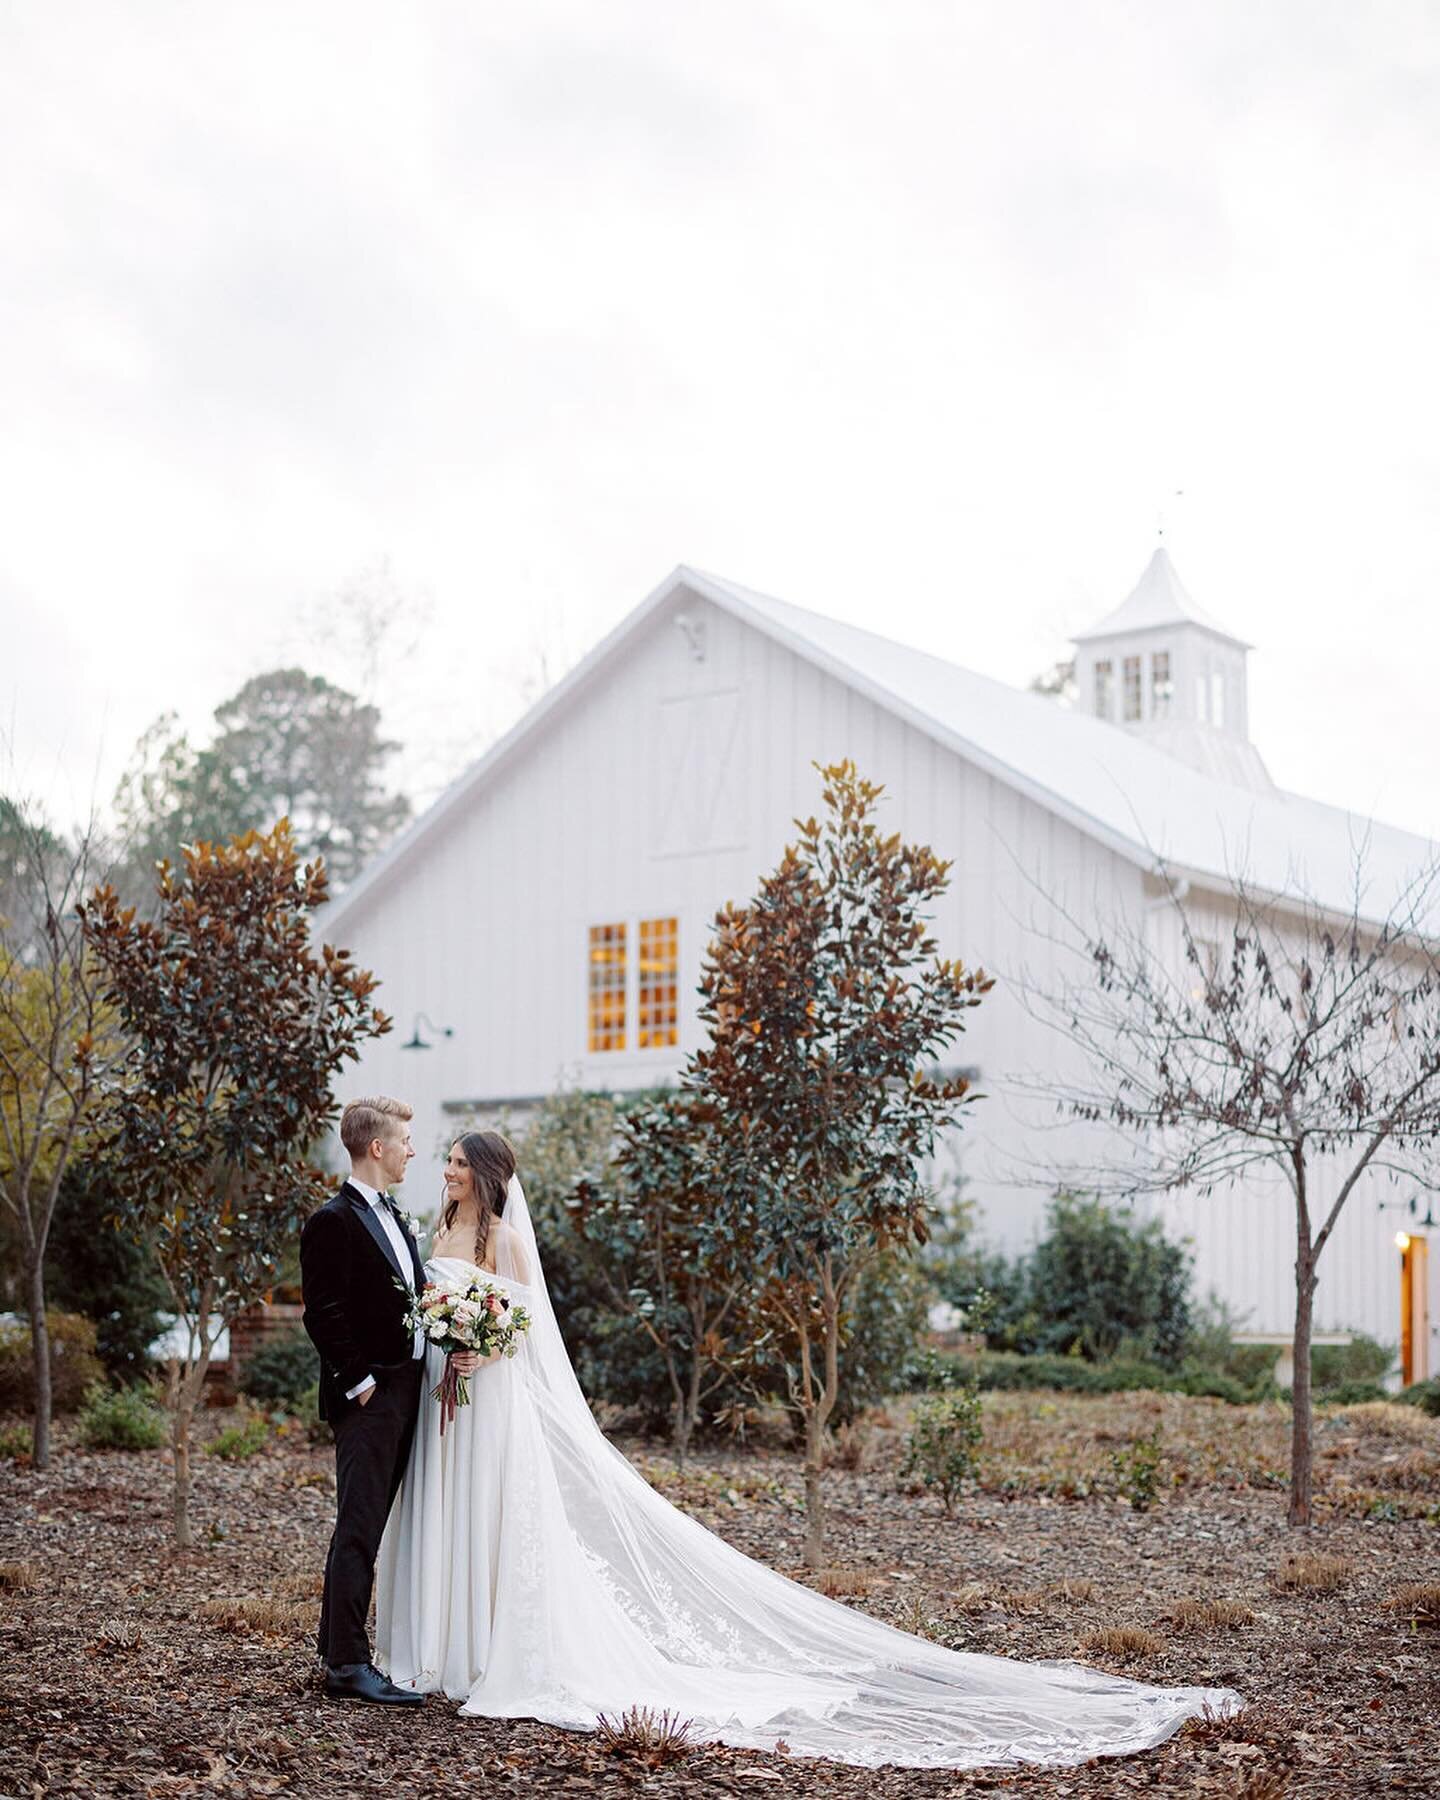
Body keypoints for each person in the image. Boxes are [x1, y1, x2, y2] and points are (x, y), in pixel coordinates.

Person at [374, 1131, 1242, 1769]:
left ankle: (490, 1650)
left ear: (485, 1176)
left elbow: (527, 1328)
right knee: (454, 1518)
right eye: (441, 1161)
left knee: (498, 1525)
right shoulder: (436, 1235)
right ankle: (445, 1648)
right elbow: (429, 1314)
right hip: (451, 1413)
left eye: (456, 1163)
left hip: (496, 1408)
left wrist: (489, 1346)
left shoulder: (511, 1241)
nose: (445, 1172)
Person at [301, 1096, 430, 1706]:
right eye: (405, 1140)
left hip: (404, 1389)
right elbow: (322, 1314)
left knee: (368, 1523)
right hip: (369, 1397)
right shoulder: (334, 1220)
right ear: (376, 1147)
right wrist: (362, 1384)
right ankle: (349, 1665)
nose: (412, 1150)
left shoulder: (395, 1216)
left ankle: (335, 1650)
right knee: (358, 1526)